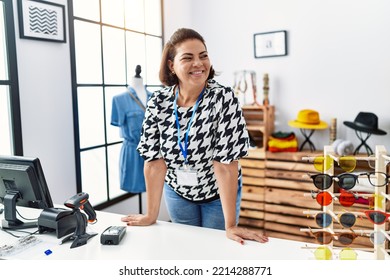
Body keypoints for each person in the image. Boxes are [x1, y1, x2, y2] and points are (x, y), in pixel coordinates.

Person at [121, 28, 268, 245]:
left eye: (203, 55)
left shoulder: (223, 98)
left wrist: (230, 226)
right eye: (188, 58)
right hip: (177, 192)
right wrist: (151, 214)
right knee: (186, 248)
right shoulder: (158, 102)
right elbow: (153, 162)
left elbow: (226, 165)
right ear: (172, 65)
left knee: (215, 250)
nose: (198, 63)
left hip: (217, 195)